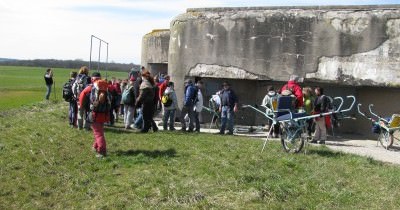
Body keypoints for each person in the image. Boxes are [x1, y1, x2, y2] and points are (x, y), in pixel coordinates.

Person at [79, 72, 109, 158]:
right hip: (104, 113)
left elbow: (82, 97)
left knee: (98, 133)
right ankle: (95, 146)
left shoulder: (90, 87)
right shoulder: (106, 88)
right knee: (99, 131)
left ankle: (102, 151)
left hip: (94, 113)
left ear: (92, 79)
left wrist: (82, 107)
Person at [74, 66, 91, 130]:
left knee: (80, 112)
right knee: (87, 111)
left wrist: (75, 95)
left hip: (78, 96)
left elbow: (74, 87)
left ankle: (79, 126)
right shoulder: (88, 78)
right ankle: (86, 126)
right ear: (86, 71)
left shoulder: (77, 77)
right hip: (86, 97)